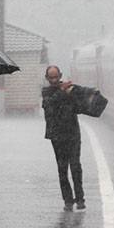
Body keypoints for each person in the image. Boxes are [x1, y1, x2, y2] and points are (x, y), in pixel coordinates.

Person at [41, 65, 84, 211]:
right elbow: (49, 105)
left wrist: (73, 92)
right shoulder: (46, 92)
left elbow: (79, 107)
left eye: (56, 77)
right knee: (62, 168)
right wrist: (62, 91)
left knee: (76, 166)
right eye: (51, 77)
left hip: (73, 133)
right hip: (57, 136)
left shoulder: (68, 90)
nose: (54, 80)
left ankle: (80, 198)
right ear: (47, 78)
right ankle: (68, 200)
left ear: (60, 76)